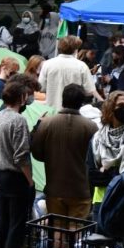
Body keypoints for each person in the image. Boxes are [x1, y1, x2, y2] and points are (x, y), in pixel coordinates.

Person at [0, 81, 36, 248]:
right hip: (15, 177)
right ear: (21, 98)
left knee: (4, 222)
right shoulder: (18, 120)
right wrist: (30, 180)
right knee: (17, 225)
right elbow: (21, 156)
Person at [31, 84, 98, 223]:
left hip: (54, 188)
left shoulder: (47, 123)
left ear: (62, 100)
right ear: (81, 102)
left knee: (57, 231)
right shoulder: (91, 127)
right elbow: (95, 159)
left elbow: (36, 153)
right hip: (81, 189)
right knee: (77, 231)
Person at [39, 35, 102, 109]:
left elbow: (41, 88)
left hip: (52, 109)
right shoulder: (81, 66)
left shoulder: (47, 64)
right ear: (75, 49)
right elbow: (89, 91)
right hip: (73, 110)